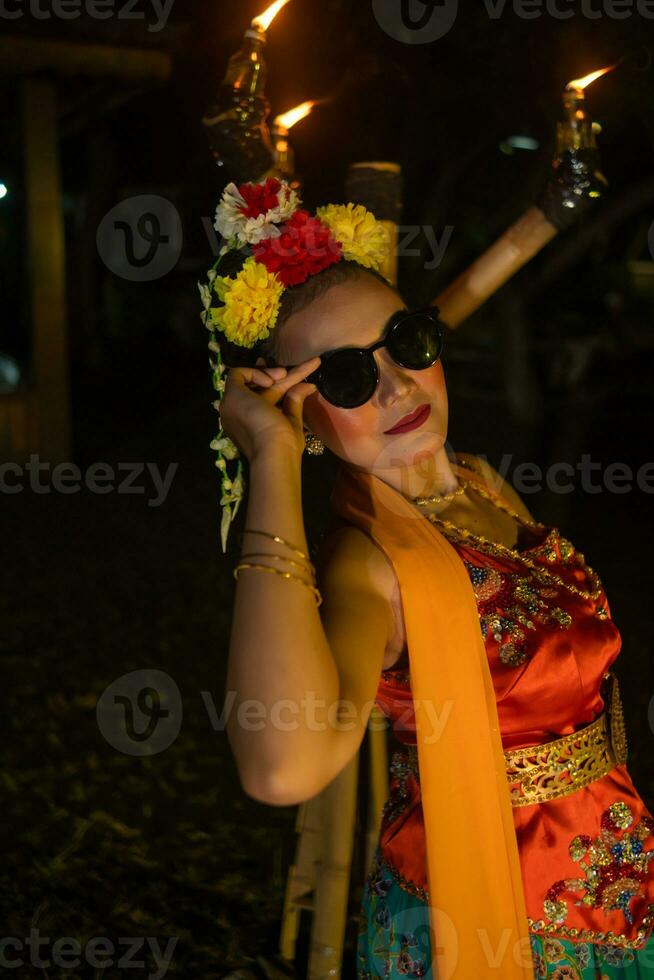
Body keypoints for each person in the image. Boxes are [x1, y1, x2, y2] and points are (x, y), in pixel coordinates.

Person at [202, 178, 654, 979]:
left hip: (616, 877)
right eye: (344, 380)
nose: (397, 387)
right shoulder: (370, 566)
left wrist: (558, 198)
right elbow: (282, 769)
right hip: (488, 916)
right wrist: (269, 460)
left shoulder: (478, 482)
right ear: (298, 412)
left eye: (404, 346)